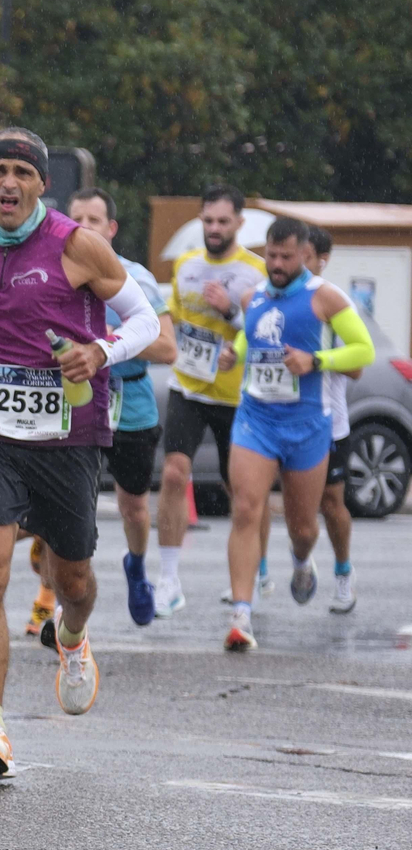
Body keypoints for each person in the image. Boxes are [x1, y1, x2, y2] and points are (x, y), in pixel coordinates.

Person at [0, 128, 159, 781]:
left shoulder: (79, 246)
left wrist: (102, 350)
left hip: (68, 437)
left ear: (43, 185)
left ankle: (72, 639)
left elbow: (146, 322)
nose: (9, 183)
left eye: (22, 171)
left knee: (70, 579)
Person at [20, 188, 177, 637]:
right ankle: (50, 603)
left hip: (129, 403)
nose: (84, 227)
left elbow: (168, 348)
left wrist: (110, 342)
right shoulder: (52, 275)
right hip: (72, 404)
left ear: (111, 229)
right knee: (62, 505)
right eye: (76, 218)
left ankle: (137, 565)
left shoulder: (134, 278)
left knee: (133, 507)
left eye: (94, 219)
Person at [215, 218, 373, 650]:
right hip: (256, 420)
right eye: (271, 255)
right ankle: (241, 616)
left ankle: (302, 559)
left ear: (304, 254)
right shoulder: (254, 297)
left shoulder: (325, 298)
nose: (278, 263)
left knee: (303, 526)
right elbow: (254, 342)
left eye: (286, 256)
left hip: (307, 424)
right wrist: (236, 354)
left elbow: (363, 351)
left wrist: (315, 361)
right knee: (246, 509)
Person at [152, 184, 266, 617]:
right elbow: (176, 321)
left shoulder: (255, 271)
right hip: (190, 385)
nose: (214, 228)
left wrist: (231, 317)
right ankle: (169, 579)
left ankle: (255, 570)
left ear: (239, 222)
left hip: (236, 396)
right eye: (208, 220)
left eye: (223, 221)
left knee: (242, 491)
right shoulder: (186, 265)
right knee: (175, 475)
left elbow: (264, 329)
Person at [305, 226, 360, 613]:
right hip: (281, 417)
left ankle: (343, 571)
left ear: (321, 260)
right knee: (284, 503)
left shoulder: (335, 304)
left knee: (329, 502)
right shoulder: (274, 299)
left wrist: (319, 356)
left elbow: (357, 367)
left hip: (328, 419)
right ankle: (293, 561)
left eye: (303, 256)